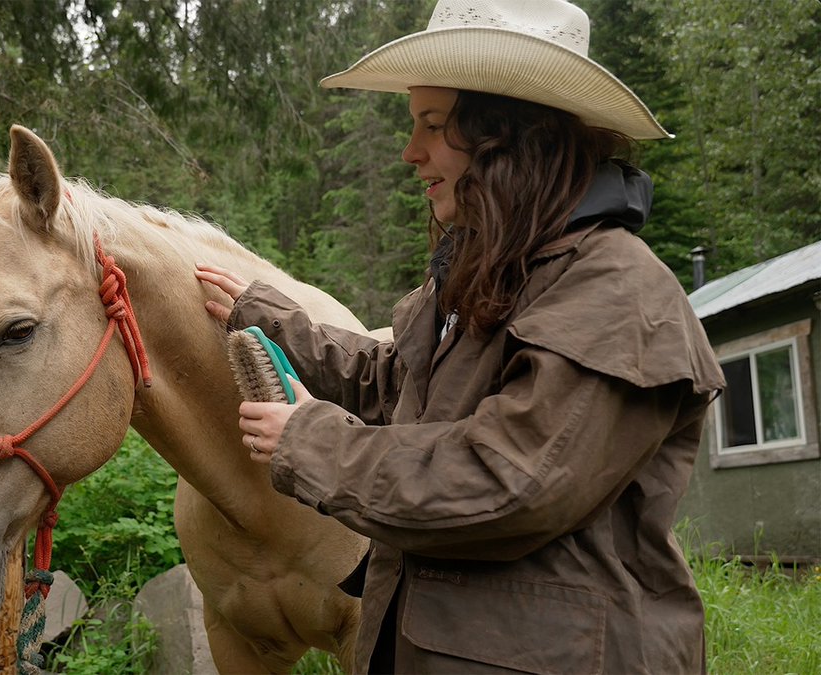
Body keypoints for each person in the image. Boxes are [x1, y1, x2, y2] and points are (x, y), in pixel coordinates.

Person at [194, 0, 725, 672]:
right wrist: (269, 316)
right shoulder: (500, 270)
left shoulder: (617, 291)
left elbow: (507, 481)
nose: (410, 151)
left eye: (434, 126)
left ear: (514, 137)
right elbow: (396, 383)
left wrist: (311, 441)